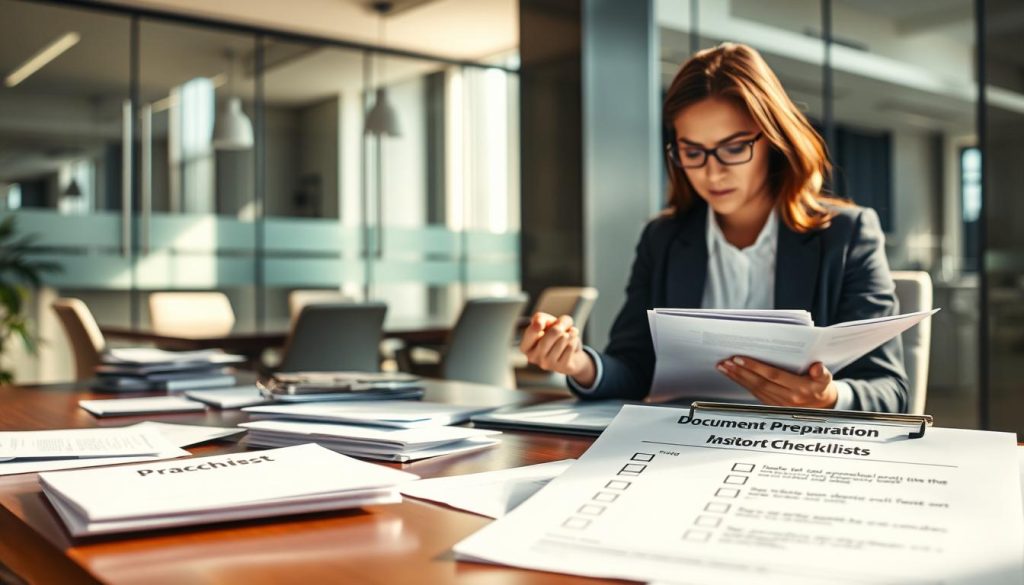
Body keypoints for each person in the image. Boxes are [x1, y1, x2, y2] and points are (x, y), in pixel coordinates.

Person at [520, 42, 908, 413]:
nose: (712, 171)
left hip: (799, 448)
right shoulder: (663, 239)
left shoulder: (847, 234)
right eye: (693, 152)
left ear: (773, 139)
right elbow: (635, 368)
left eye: (734, 147)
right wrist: (578, 363)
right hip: (682, 444)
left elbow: (889, 389)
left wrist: (828, 396)